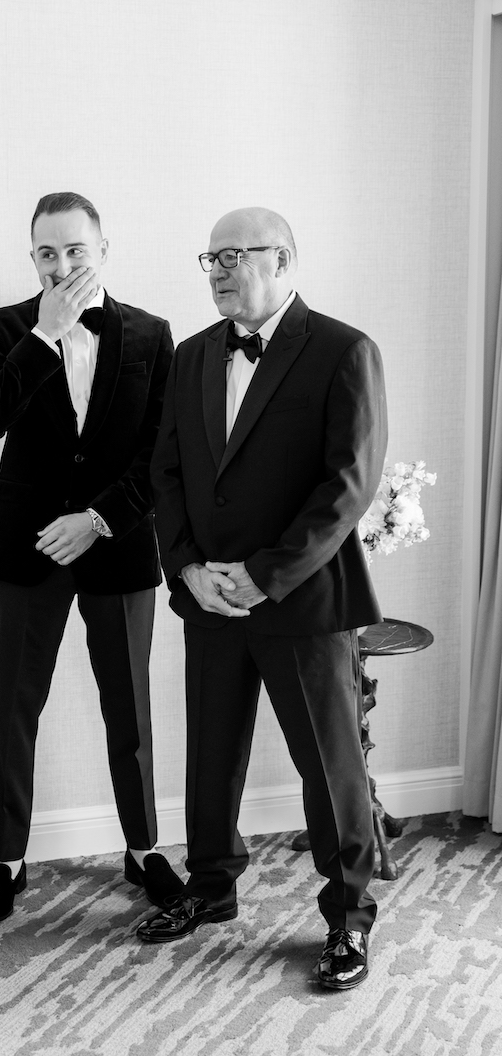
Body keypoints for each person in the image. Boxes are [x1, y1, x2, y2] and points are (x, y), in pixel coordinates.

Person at [141, 207, 387, 991]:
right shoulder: (191, 356)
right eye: (210, 258)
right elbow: (166, 474)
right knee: (211, 755)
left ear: (281, 260)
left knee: (330, 769)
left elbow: (347, 484)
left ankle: (348, 915)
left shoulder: (344, 350)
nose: (218, 270)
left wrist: (265, 574)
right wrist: (187, 569)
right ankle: (211, 887)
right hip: (209, 598)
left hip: (302, 600)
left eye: (234, 255)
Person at [0, 191, 182, 924]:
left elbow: (161, 452)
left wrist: (97, 520)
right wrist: (43, 336)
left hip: (116, 541)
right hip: (27, 546)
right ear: (32, 258)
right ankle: (6, 858)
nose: (61, 266)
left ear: (103, 250)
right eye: (47, 253)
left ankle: (144, 848)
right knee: (16, 703)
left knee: (130, 705)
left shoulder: (152, 334)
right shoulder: (4, 327)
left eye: (75, 250)